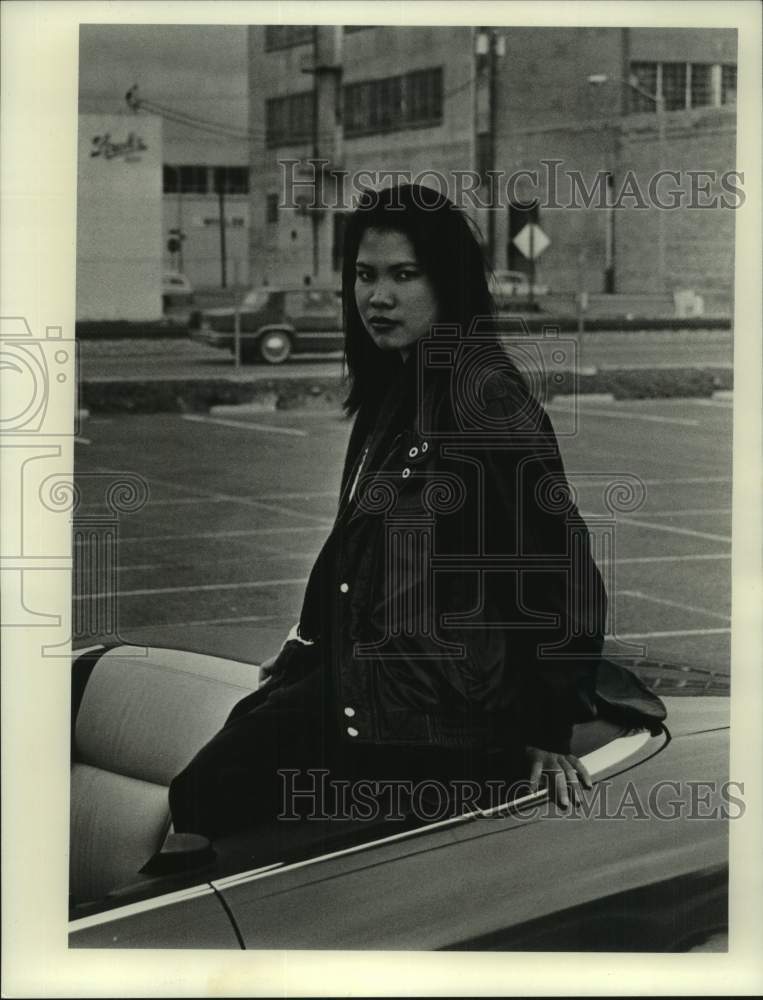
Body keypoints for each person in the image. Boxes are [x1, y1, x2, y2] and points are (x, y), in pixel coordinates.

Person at [169, 184, 615, 841]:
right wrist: (309, 645)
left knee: (210, 795)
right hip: (379, 687)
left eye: (404, 275)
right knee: (211, 788)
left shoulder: (482, 399)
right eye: (364, 275)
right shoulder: (396, 388)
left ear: (450, 283)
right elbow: (353, 546)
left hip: (439, 715)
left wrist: (547, 729)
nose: (378, 297)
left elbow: (557, 571)